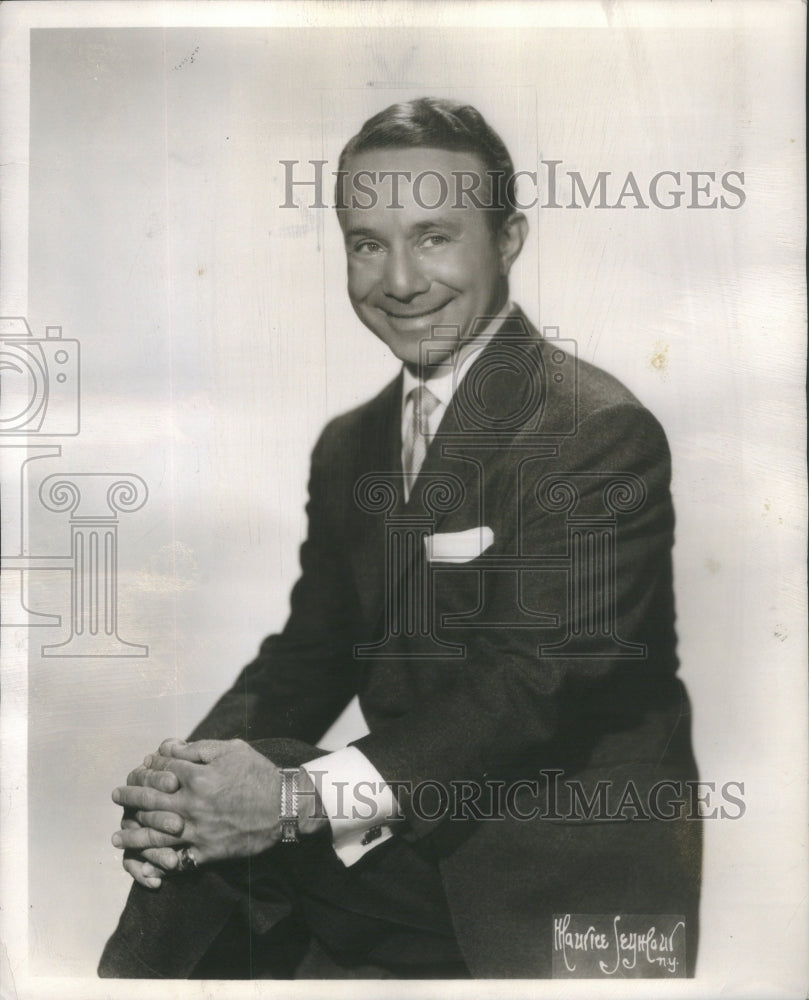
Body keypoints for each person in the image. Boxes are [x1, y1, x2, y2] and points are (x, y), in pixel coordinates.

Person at [99, 97, 701, 979]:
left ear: (508, 239)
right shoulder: (352, 444)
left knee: (262, 804)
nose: (400, 280)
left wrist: (292, 799)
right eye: (366, 243)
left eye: (433, 235)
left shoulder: (594, 428)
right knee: (212, 834)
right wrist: (181, 791)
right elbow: (308, 656)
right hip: (405, 852)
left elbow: (529, 688)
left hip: (557, 884)